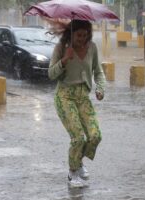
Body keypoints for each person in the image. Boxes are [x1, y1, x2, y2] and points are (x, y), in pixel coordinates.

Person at [48, 20, 106, 188]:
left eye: (85, 36)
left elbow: (98, 72)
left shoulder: (92, 48)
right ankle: (73, 173)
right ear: (71, 33)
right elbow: (51, 74)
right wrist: (65, 60)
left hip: (83, 97)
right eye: (79, 35)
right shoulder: (61, 47)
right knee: (78, 137)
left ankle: (78, 162)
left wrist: (100, 88)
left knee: (95, 135)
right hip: (64, 97)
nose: (82, 39)